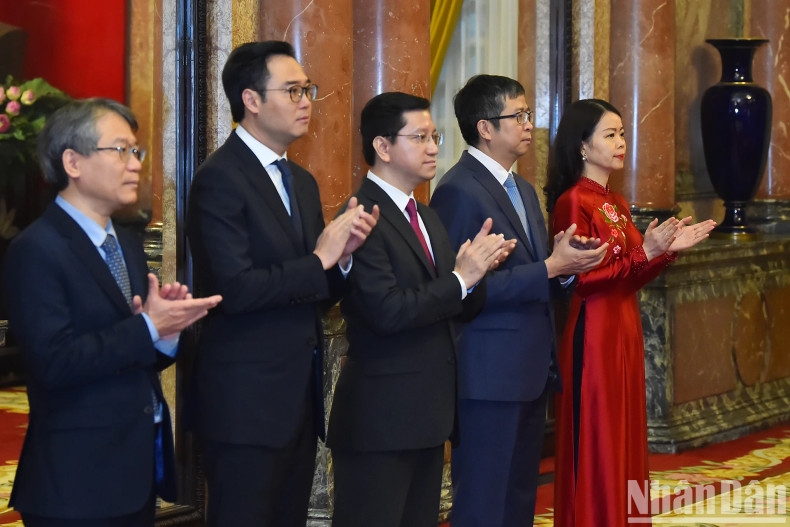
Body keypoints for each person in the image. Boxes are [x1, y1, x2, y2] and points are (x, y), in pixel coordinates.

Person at [2, 98, 223, 526]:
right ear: (73, 162)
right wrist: (146, 327)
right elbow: (53, 362)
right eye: (120, 150)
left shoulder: (125, 244)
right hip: (73, 484)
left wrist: (165, 335)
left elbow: (131, 357)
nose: (135, 164)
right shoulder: (36, 250)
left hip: (132, 474)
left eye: (136, 151)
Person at [185, 40, 378, 527]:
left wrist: (344, 262)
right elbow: (236, 289)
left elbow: (316, 290)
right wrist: (320, 258)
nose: (306, 101)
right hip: (245, 402)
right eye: (292, 90)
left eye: (307, 89)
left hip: (297, 397)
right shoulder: (219, 178)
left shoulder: (300, 180)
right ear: (250, 100)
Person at [326, 91, 513, 527]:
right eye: (421, 137)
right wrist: (460, 279)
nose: (433, 148)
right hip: (380, 420)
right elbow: (387, 312)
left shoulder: (426, 217)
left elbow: (455, 308)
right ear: (383, 146)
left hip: (428, 417)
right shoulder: (361, 216)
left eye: (435, 136)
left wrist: (478, 272)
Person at [429, 74, 607, 527]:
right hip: (487, 374)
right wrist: (549, 268)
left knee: (518, 499)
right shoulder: (457, 190)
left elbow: (534, 272)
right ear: (485, 127)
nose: (530, 124)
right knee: (485, 501)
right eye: (519, 115)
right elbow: (463, 290)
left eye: (529, 114)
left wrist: (567, 268)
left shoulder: (523, 189)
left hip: (530, 368)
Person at [544, 99, 716, 526]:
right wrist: (647, 252)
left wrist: (665, 253)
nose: (621, 143)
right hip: (593, 330)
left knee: (624, 432)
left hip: (624, 327)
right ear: (583, 146)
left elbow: (630, 276)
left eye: (622, 133)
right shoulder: (573, 202)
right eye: (610, 134)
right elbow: (580, 280)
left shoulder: (616, 202)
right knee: (596, 436)